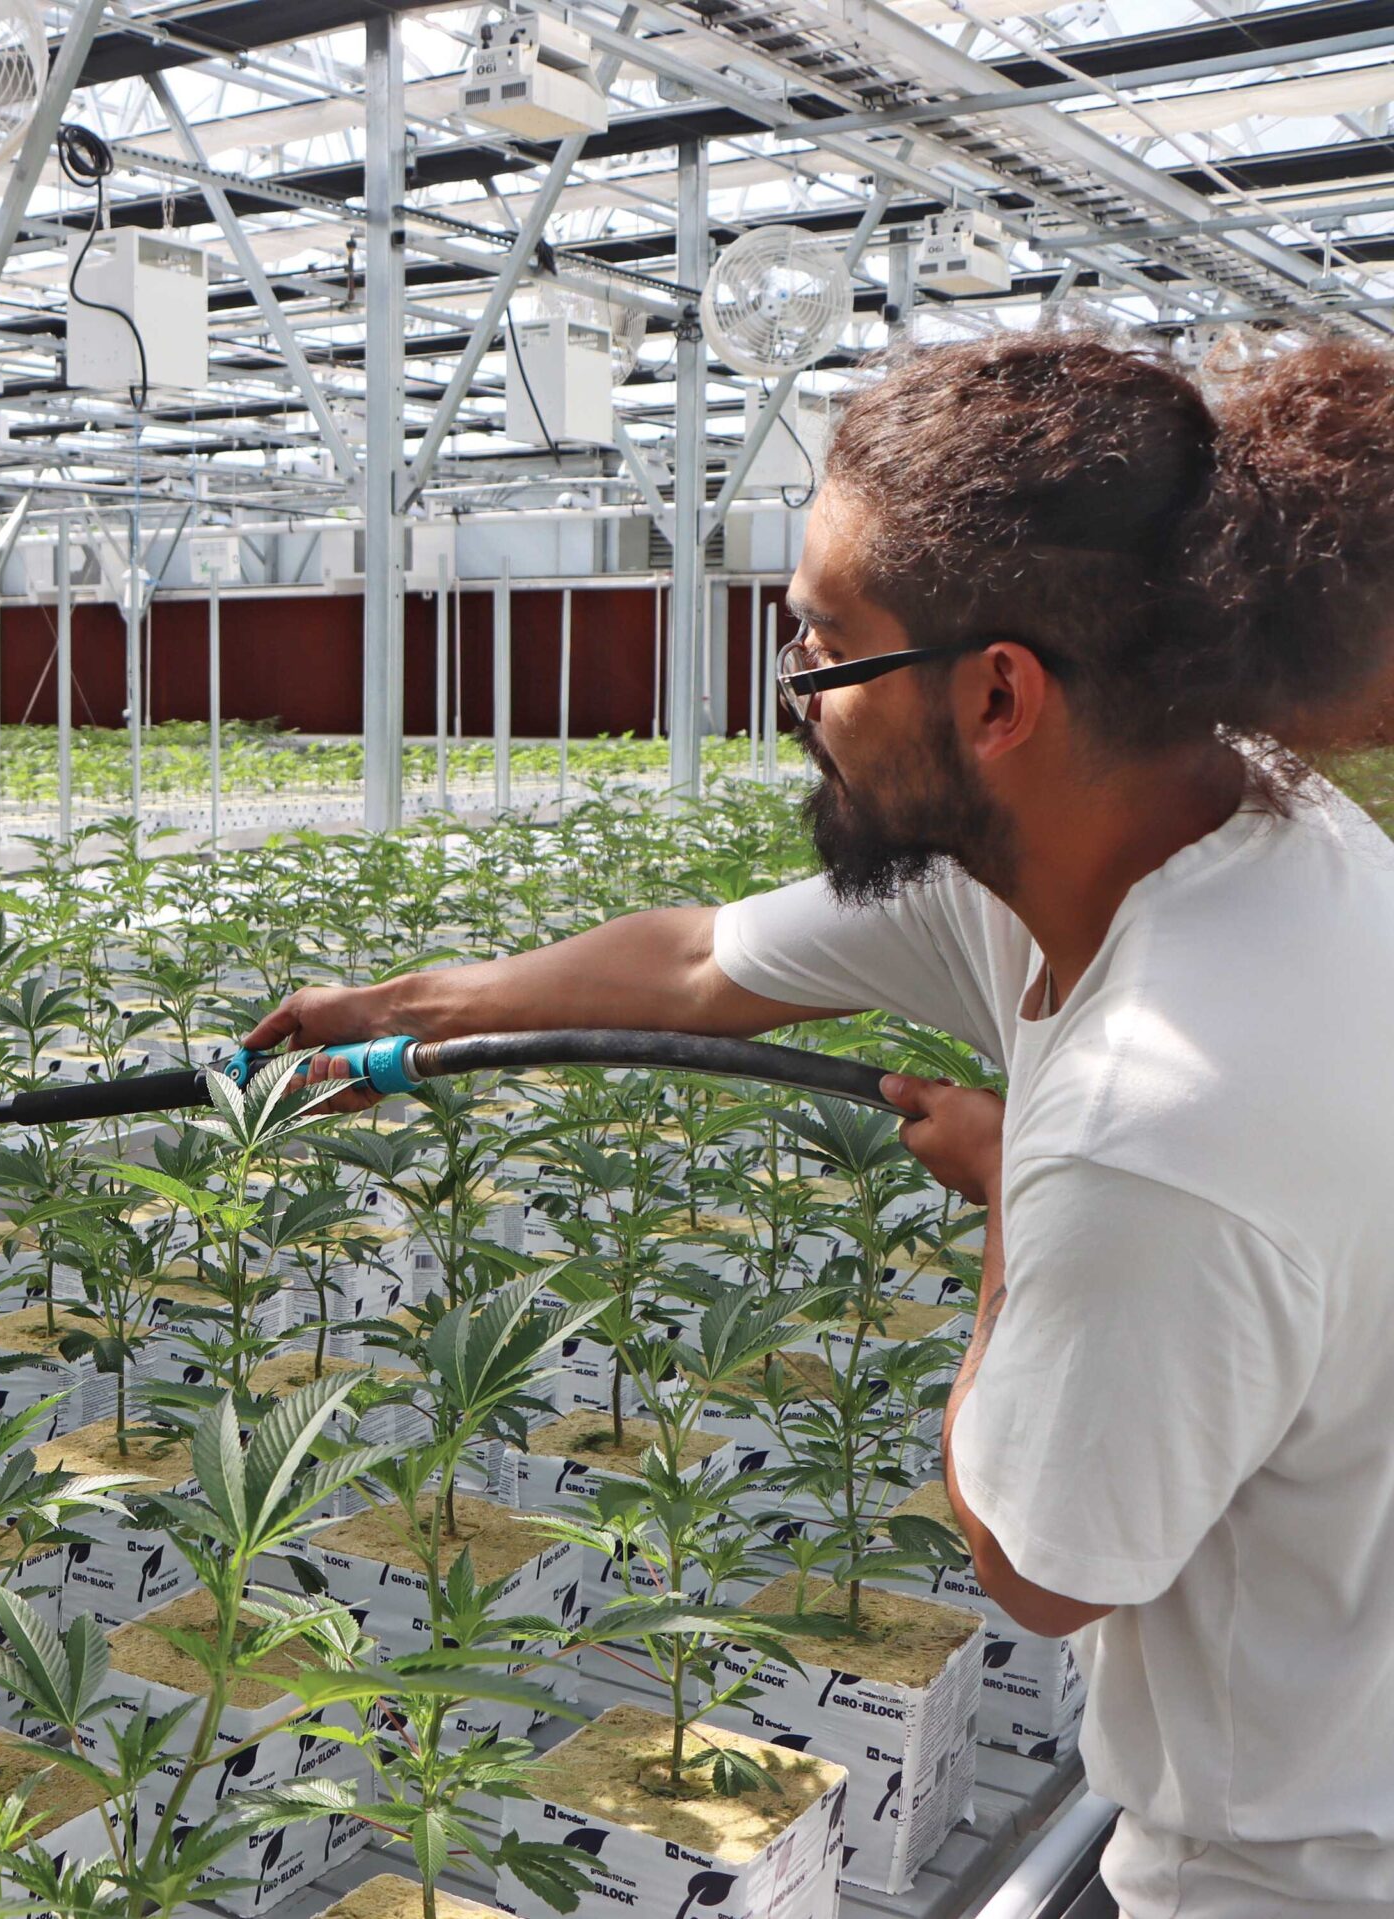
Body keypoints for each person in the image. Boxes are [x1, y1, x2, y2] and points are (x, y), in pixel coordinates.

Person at [246, 334, 1394, 1919]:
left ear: (999, 693)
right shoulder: (1180, 815)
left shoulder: (1157, 1128)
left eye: (824, 651)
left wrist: (1011, 1188)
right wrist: (422, 1006)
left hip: (1299, 1868)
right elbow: (706, 961)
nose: (799, 703)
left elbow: (1041, 1572)